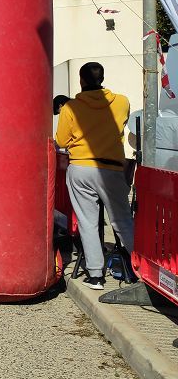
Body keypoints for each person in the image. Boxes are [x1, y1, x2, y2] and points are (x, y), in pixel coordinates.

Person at [55, 62, 134, 290]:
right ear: (102, 77)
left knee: (88, 222)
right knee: (122, 220)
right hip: (111, 169)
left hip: (81, 167)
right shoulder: (121, 102)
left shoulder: (70, 108)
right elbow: (121, 125)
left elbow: (61, 140)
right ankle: (140, 269)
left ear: (81, 80)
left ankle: (96, 275)